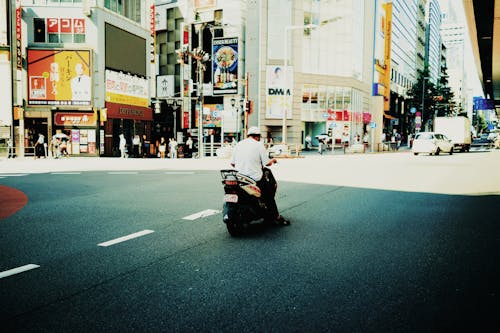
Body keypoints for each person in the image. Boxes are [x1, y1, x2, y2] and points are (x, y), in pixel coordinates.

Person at [230, 126, 290, 226]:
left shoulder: (239, 144)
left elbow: (232, 163)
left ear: (248, 135)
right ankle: (276, 217)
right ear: (257, 136)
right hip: (254, 178)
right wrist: (273, 160)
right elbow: (267, 163)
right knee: (269, 195)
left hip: (240, 178)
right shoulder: (258, 145)